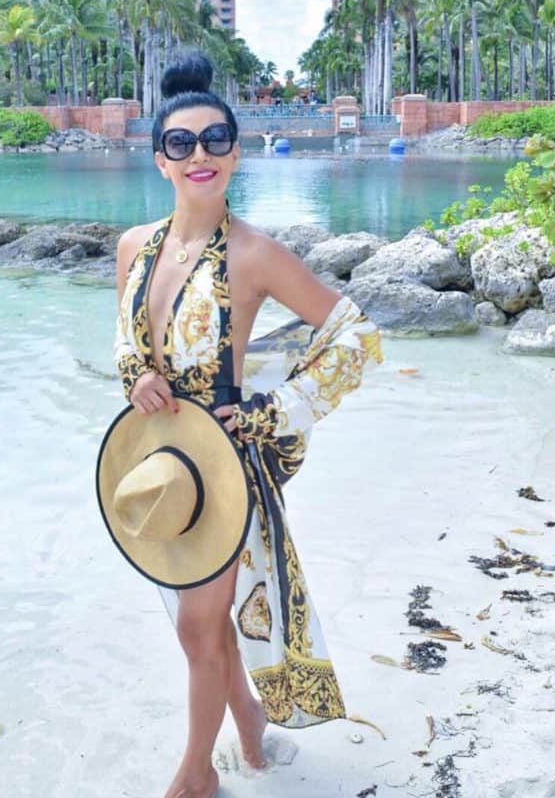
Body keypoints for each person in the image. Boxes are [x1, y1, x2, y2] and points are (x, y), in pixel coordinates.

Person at [112, 52, 382, 798]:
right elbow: (126, 343)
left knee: (201, 627)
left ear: (235, 150)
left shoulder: (256, 256)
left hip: (228, 471)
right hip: (159, 465)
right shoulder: (133, 248)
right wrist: (137, 377)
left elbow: (355, 335)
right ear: (160, 158)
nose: (199, 155)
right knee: (197, 625)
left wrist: (271, 411)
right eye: (181, 143)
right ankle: (251, 737)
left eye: (215, 140)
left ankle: (196, 775)